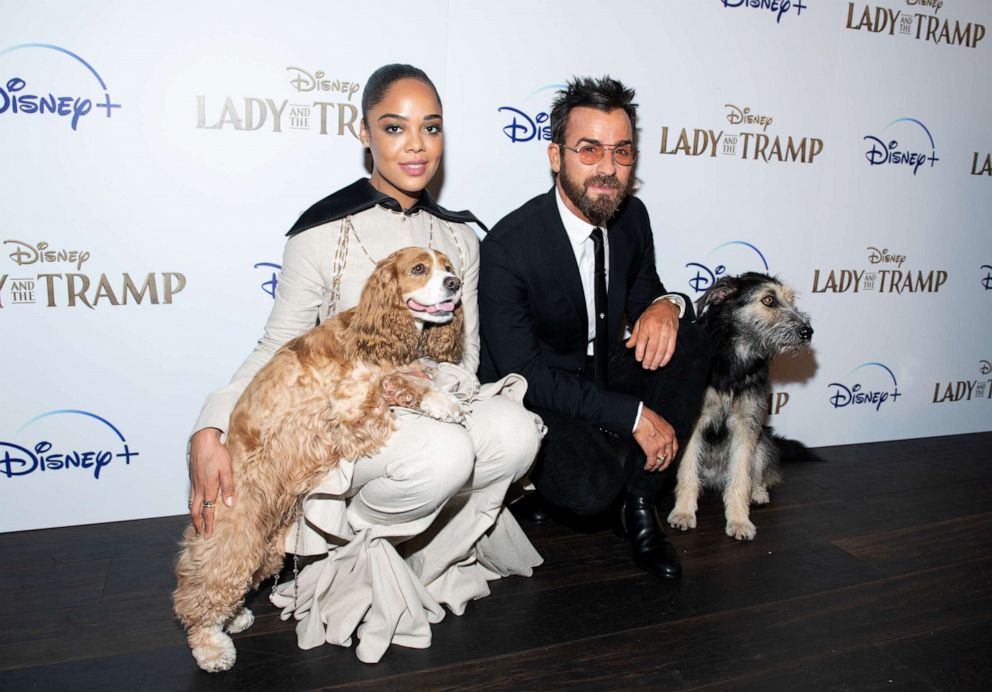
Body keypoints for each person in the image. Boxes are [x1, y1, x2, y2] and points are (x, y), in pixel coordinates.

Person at [186, 64, 544, 663]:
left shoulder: (460, 239)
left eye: (430, 128)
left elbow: (469, 352)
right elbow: (278, 346)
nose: (415, 144)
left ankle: (422, 558)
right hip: (350, 414)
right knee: (444, 453)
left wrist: (434, 391)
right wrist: (211, 424)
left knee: (514, 432)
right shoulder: (323, 232)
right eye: (394, 127)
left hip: (426, 391)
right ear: (364, 134)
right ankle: (343, 560)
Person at [478, 76, 710, 580]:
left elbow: (648, 289)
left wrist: (667, 305)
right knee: (589, 493)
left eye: (622, 152)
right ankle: (559, 490)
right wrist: (631, 415)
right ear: (555, 156)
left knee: (690, 337)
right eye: (589, 150)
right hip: (540, 389)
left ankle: (641, 506)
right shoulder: (508, 248)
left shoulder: (632, 216)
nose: (608, 168)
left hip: (602, 370)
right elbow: (525, 373)